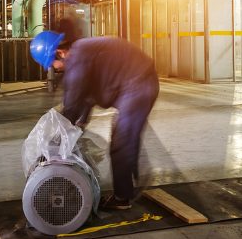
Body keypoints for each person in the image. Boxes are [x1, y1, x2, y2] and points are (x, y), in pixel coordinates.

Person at [30, 31, 159, 210]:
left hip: (139, 85)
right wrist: (78, 126)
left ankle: (122, 198)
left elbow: (73, 104)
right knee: (124, 138)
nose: (55, 68)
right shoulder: (82, 53)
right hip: (134, 84)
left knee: (121, 142)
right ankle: (131, 183)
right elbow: (86, 97)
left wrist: (58, 142)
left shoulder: (77, 60)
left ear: (59, 52)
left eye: (52, 63)